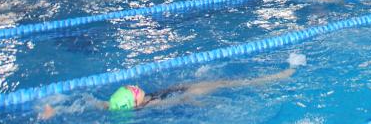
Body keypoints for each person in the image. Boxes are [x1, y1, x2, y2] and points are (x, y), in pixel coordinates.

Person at [39, 65, 297, 119]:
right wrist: (195, 101)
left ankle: (266, 79)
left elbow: (92, 104)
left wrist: (56, 109)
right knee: (222, 84)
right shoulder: (149, 106)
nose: (136, 86)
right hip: (180, 94)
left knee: (220, 82)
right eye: (133, 90)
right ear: (135, 103)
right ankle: (270, 79)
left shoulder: (116, 105)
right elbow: (174, 102)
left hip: (171, 90)